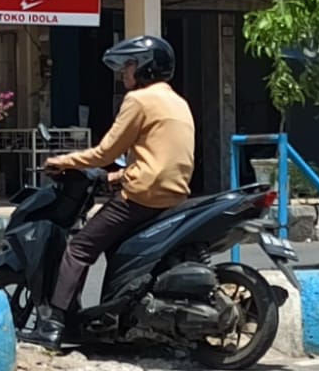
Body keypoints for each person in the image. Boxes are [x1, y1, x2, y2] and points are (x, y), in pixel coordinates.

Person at [20, 35, 195, 351]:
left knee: (79, 248)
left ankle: (54, 326)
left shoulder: (139, 101)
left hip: (141, 197)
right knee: (117, 248)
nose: (124, 72)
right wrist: (115, 177)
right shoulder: (177, 101)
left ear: (144, 67)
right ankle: (113, 318)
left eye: (129, 65)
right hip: (172, 196)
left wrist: (62, 160)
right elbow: (158, 156)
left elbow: (104, 151)